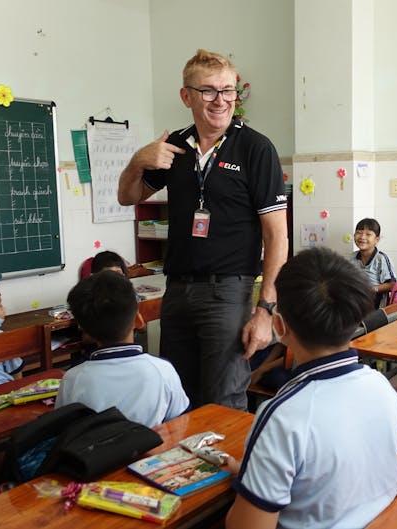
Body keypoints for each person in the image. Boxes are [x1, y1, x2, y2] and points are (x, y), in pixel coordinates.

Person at [117, 49, 288, 410]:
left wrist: (265, 310)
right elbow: (127, 196)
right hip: (177, 290)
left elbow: (277, 237)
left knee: (222, 401)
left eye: (228, 90)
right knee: (177, 398)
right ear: (186, 96)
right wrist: (137, 162)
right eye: (208, 90)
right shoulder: (175, 146)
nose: (220, 100)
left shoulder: (256, 148)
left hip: (228, 291)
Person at [225, 247, 397, 529]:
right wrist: (254, 474)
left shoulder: (282, 415)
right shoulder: (382, 387)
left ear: (279, 326)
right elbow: (382, 466)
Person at [55, 271, 188, 427]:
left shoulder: (72, 379)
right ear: (138, 320)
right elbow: (181, 424)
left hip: (95, 443)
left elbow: (63, 429)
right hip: (155, 443)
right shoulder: (163, 370)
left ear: (84, 330)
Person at [352, 218, 397, 308]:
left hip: (375, 307)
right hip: (355, 303)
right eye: (359, 233)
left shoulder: (382, 259)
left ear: (377, 239)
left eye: (368, 234)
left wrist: (372, 289)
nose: (362, 237)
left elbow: (392, 285)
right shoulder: (350, 257)